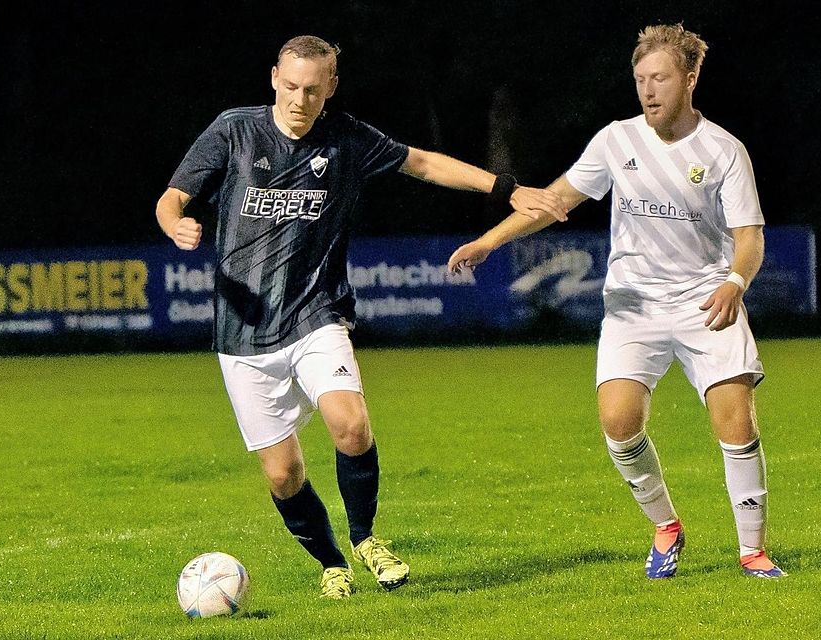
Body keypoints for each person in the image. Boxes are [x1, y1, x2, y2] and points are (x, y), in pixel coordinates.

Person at [156, 35, 567, 599]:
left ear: (330, 87)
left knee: (350, 426)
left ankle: (365, 538)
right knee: (283, 474)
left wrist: (506, 188)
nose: (299, 100)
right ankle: (331, 563)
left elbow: (421, 163)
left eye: (312, 90)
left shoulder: (345, 138)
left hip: (315, 312)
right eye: (291, 86)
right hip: (241, 330)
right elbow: (172, 197)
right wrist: (175, 223)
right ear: (274, 77)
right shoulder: (234, 130)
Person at [448, 24, 785, 579]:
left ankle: (753, 551)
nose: (648, 90)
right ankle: (666, 526)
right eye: (640, 79)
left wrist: (735, 282)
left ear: (691, 79)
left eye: (661, 78)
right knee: (619, 421)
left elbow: (749, 237)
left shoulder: (724, 151)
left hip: (706, 301)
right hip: (634, 306)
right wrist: (488, 241)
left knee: (736, 424)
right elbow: (555, 199)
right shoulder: (616, 140)